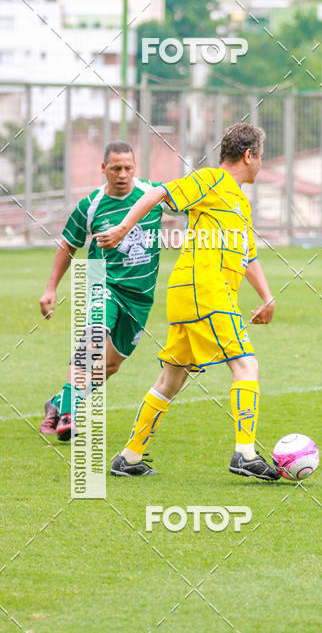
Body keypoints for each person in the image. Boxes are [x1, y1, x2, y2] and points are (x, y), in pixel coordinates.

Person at [95, 122, 280, 482]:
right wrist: (123, 229)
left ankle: (129, 456)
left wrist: (267, 296)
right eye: (261, 156)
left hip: (194, 294)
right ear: (249, 156)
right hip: (205, 291)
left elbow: (248, 256)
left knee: (171, 379)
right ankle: (245, 454)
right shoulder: (212, 180)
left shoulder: (239, 202)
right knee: (246, 365)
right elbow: (159, 193)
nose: (261, 163)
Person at [39, 142, 166, 439]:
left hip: (140, 296)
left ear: (135, 168)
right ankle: (68, 412)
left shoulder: (152, 194)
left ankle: (60, 401)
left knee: (110, 364)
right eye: (116, 168)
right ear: (103, 168)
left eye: (128, 168)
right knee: (93, 338)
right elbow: (68, 245)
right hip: (102, 282)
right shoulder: (91, 205)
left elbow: (192, 203)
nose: (122, 174)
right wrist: (51, 288)